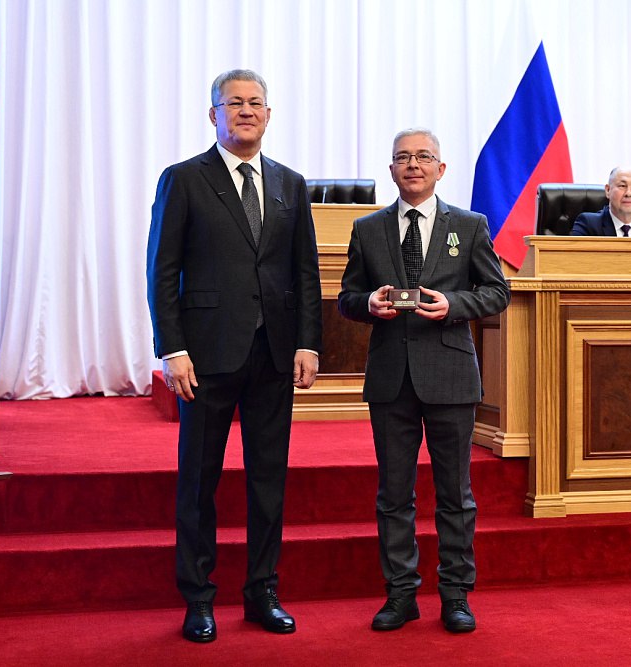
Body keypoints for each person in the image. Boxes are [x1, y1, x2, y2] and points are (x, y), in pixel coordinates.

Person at [146, 69, 322, 643]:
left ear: (269, 115)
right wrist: (172, 349)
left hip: (273, 354)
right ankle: (198, 597)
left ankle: (262, 591)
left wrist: (306, 341)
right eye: (234, 103)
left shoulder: (290, 184)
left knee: (268, 479)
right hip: (205, 355)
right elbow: (162, 270)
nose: (246, 111)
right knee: (199, 480)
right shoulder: (184, 179)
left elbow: (304, 272)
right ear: (213, 114)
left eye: (256, 103)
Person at [337, 128, 509, 634]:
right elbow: (347, 296)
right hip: (391, 379)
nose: (413, 164)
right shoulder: (367, 229)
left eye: (423, 157)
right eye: (402, 158)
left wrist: (453, 305)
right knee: (394, 494)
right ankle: (401, 595)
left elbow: (496, 291)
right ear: (391, 170)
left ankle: (455, 595)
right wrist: (366, 304)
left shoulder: (470, 225)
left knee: (455, 494)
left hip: (451, 376)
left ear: (441, 169)